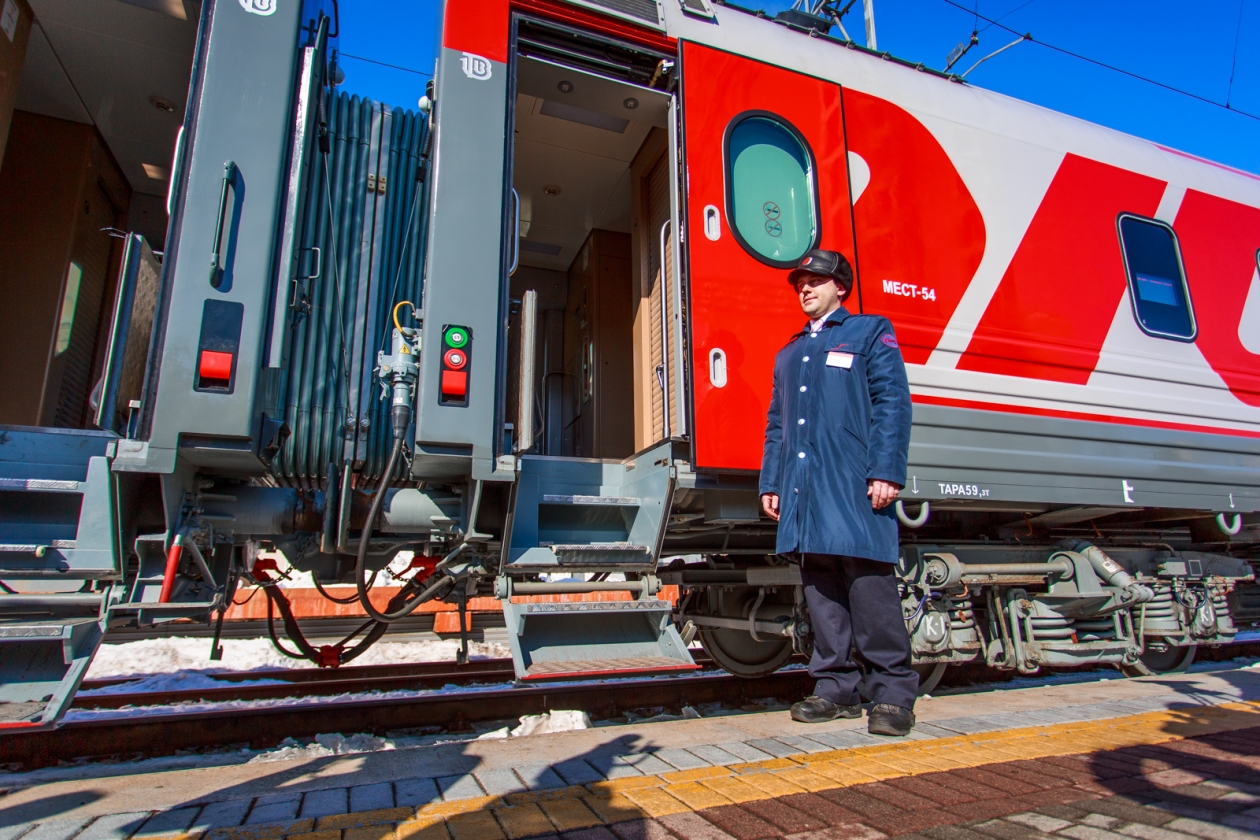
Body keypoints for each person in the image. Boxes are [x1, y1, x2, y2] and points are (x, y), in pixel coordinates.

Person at [758, 248, 918, 737]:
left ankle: (892, 695)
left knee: (869, 588)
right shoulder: (788, 353)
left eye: (814, 280)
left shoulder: (870, 331)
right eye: (799, 282)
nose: (804, 288)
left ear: (840, 287)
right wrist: (772, 481)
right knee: (821, 592)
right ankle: (835, 689)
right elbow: (777, 424)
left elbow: (893, 401)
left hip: (853, 483)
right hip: (804, 490)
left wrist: (886, 470)